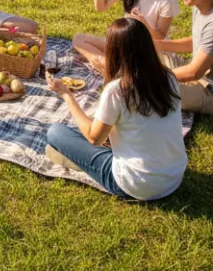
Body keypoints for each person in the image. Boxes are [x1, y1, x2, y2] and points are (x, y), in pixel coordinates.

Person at [46, 18, 187, 200]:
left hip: (135, 185)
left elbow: (94, 138)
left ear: (113, 51)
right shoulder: (168, 77)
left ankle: (78, 162)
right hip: (174, 177)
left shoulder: (117, 90)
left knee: (56, 133)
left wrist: (67, 95)